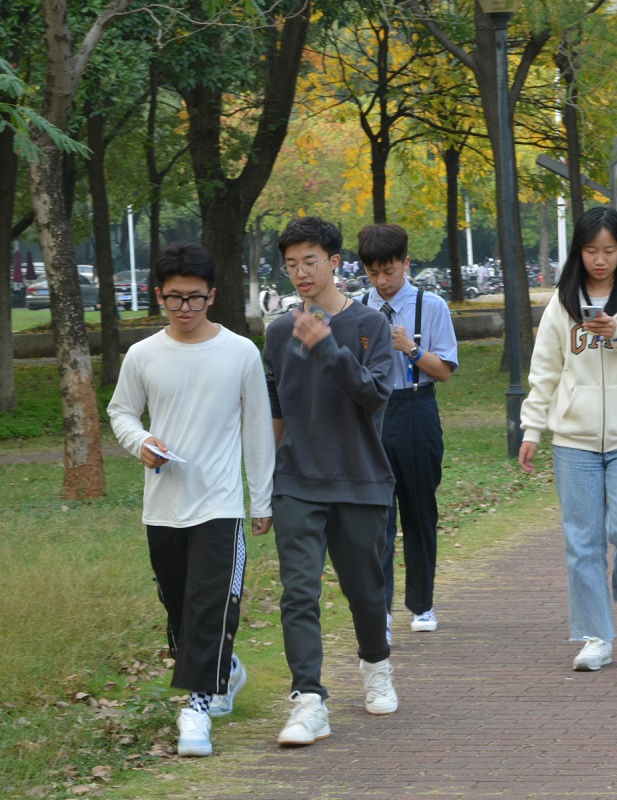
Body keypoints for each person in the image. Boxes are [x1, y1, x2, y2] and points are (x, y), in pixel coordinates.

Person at [106, 242, 275, 758]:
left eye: (195, 298)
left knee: (210, 604)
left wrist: (262, 498)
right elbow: (121, 414)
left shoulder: (240, 352)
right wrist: (142, 444)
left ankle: (197, 708)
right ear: (159, 296)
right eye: (174, 298)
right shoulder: (143, 356)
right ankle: (223, 669)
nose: (185, 308)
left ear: (212, 296)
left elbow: (257, 432)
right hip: (163, 505)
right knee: (179, 610)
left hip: (220, 504)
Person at [517, 206, 617, 672]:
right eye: (591, 251)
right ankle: (595, 637)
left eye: (608, 250)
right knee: (583, 542)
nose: (600, 260)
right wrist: (533, 429)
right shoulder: (562, 303)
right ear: (578, 252)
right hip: (574, 440)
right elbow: (544, 372)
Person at [263, 216, 399, 747]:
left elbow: (373, 394)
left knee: (365, 591)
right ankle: (309, 700)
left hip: (360, 478)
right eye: (292, 263)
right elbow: (276, 405)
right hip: (296, 479)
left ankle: (376, 664)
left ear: (335, 263)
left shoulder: (371, 325)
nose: (300, 272)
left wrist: (326, 346)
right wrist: (265, 479)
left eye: (310, 261)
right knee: (298, 590)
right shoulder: (278, 332)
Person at [356, 223, 459, 642]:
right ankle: (379, 610)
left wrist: (412, 349)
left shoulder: (430, 306)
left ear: (406, 264)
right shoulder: (357, 306)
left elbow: (446, 371)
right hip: (373, 415)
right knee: (377, 518)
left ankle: (423, 603)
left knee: (419, 512)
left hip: (416, 408)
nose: (382, 282)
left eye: (390, 271)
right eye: (374, 272)